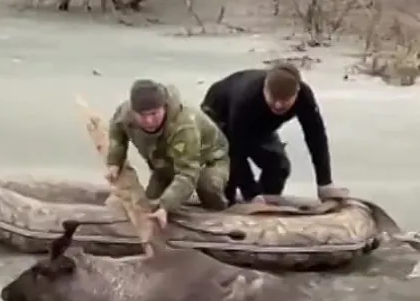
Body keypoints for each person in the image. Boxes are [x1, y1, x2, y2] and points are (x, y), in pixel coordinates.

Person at [200, 62, 349, 205]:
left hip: (260, 125)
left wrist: (324, 183)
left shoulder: (304, 97)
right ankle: (242, 201)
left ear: (296, 93)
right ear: (265, 88)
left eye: (285, 100)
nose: (278, 105)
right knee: (230, 180)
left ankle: (265, 204)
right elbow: (235, 151)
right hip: (219, 116)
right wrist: (251, 194)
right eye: (273, 98)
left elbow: (316, 137)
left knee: (278, 166)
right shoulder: (246, 98)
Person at [105, 79, 230, 230]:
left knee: (208, 186)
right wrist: (114, 161)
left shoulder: (184, 126)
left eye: (154, 113)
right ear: (133, 111)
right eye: (142, 115)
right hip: (164, 163)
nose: (149, 120)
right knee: (149, 203)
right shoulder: (125, 113)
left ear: (164, 107)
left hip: (208, 160)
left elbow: (187, 173)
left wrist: (165, 206)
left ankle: (221, 218)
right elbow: (116, 131)